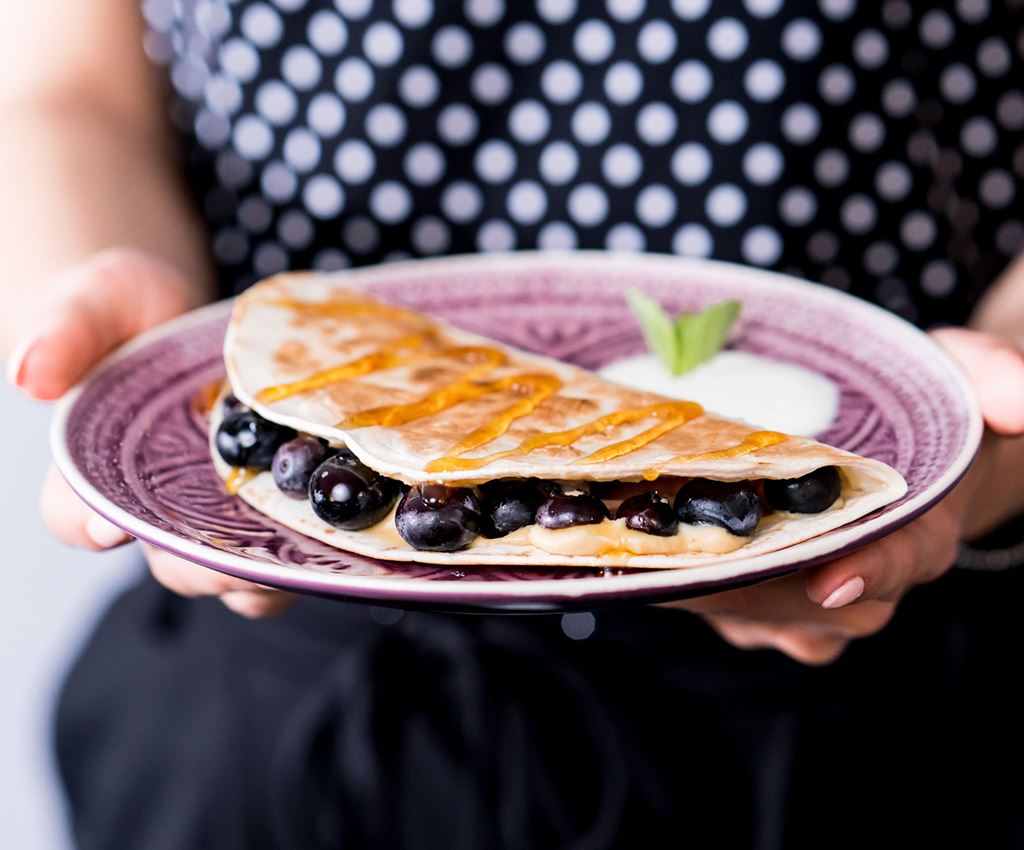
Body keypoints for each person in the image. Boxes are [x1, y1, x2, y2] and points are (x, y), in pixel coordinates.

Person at [3, 0, 1024, 847]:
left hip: (889, 712)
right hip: (267, 692)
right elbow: (66, 88)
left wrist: (998, 405)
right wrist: (103, 294)